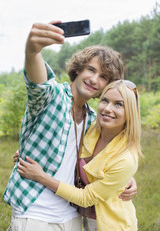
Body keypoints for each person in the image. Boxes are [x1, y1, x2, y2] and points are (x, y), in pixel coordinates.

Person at [3, 21, 137, 231]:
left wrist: (127, 178)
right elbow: (39, 83)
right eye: (90, 70)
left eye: (103, 77)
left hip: (71, 216)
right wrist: (32, 51)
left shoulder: (94, 119)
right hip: (35, 212)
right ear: (78, 69)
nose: (94, 79)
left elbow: (108, 156)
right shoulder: (52, 97)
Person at [17, 79, 142, 231]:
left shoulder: (126, 158)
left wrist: (40, 176)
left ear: (131, 112)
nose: (108, 109)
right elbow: (66, 145)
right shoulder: (91, 129)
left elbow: (86, 198)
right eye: (105, 100)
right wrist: (30, 151)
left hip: (112, 225)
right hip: (84, 220)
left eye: (118, 104)